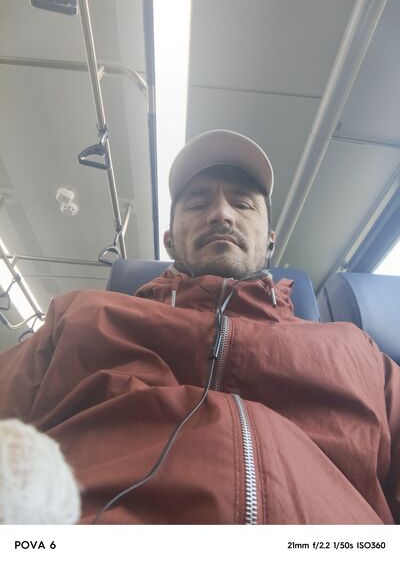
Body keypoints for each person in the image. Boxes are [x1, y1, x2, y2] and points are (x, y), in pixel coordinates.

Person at [0, 130, 399, 525]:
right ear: (169, 241)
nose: (221, 214)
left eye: (243, 204)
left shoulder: (357, 353)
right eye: (197, 203)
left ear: (270, 241)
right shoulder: (82, 318)